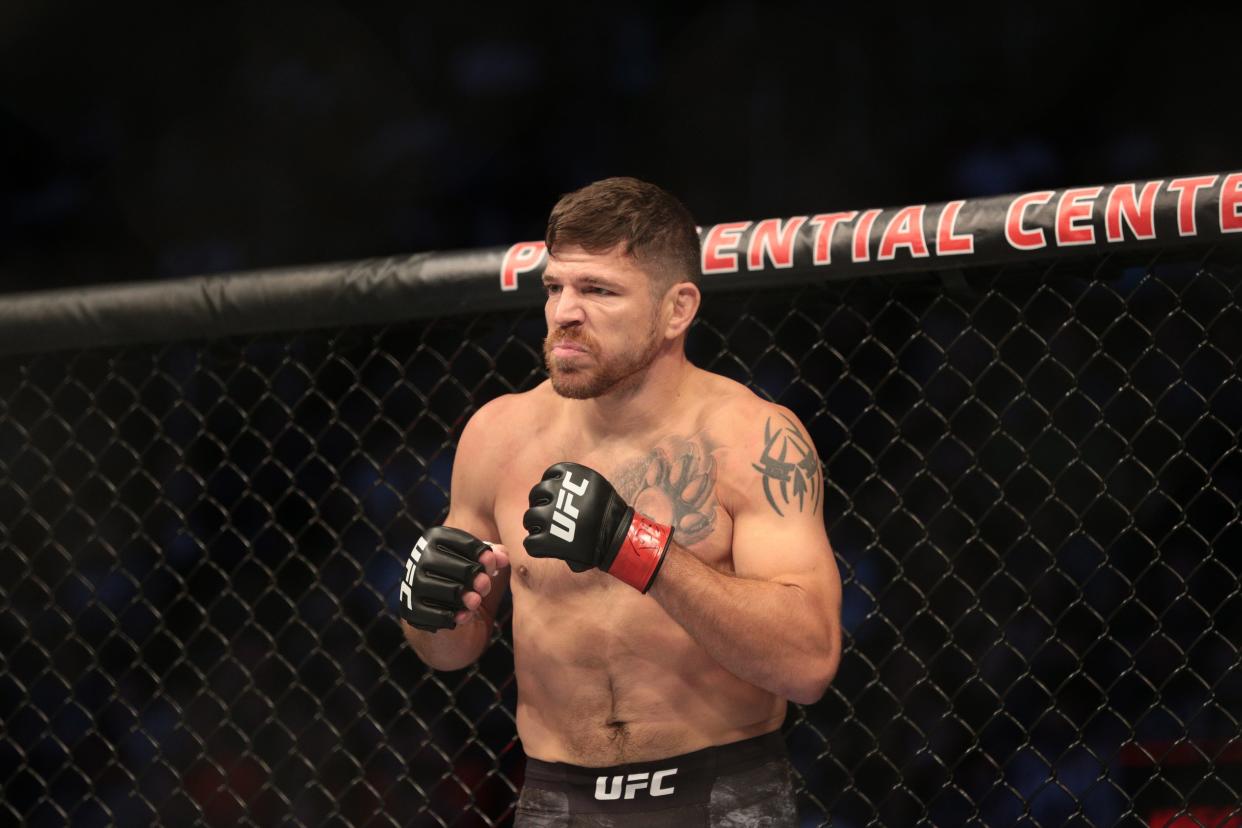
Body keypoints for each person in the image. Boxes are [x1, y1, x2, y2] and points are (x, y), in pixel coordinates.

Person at [398, 177, 842, 826]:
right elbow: (449, 650)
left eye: (598, 290)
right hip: (555, 798)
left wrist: (635, 550)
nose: (564, 313)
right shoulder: (498, 436)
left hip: (719, 794)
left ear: (676, 310)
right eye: (555, 288)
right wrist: (426, 607)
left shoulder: (752, 438)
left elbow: (808, 664)